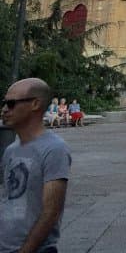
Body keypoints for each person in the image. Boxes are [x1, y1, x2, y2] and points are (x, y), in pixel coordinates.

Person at [0, 77, 73, 253]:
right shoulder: (11, 150)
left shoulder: (54, 149)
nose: (4, 110)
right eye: (4, 103)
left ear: (35, 104)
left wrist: (26, 250)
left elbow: (51, 212)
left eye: (11, 104)